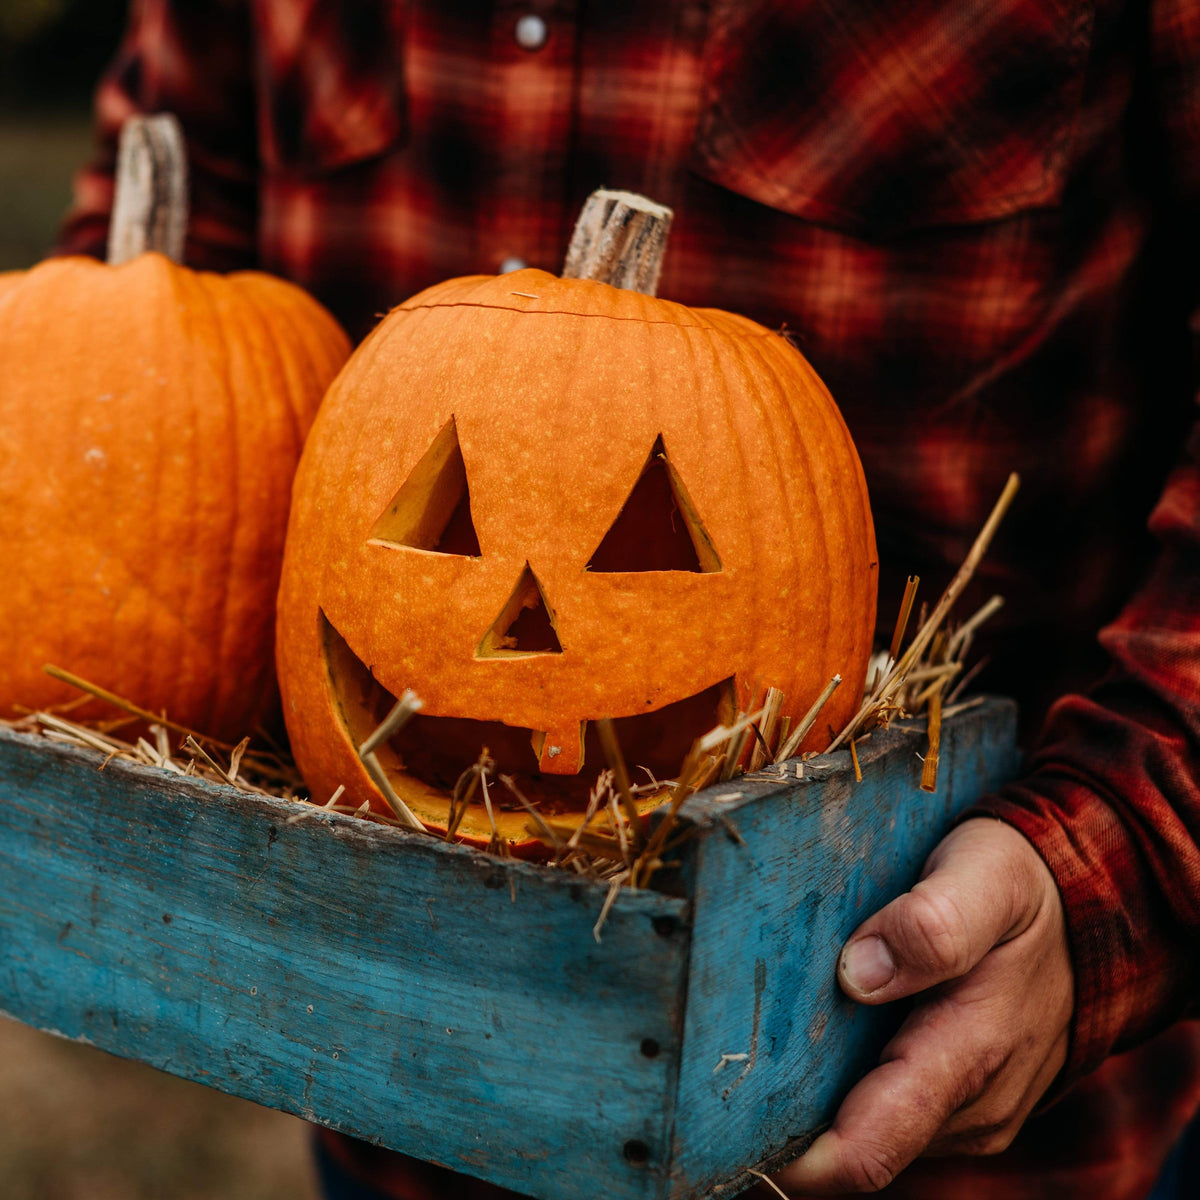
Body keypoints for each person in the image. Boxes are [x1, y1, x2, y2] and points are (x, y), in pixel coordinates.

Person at [57, 2, 1200, 1197]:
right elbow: (157, 300)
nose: (521, 626)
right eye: (456, 535)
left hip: (920, 1098)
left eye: (635, 551)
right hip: (393, 1109)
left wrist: (1115, 873)